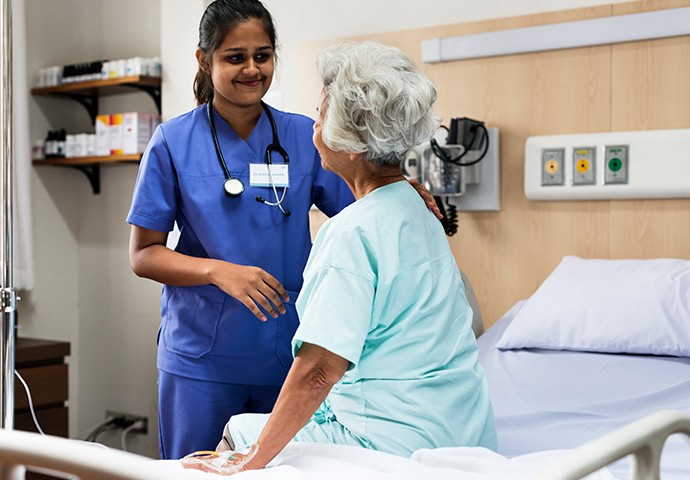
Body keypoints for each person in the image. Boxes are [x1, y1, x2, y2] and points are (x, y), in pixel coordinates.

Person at [127, 0, 439, 460]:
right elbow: (143, 255)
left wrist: (401, 186)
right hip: (201, 359)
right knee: (193, 469)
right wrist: (220, 272)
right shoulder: (172, 142)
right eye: (235, 57)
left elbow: (365, 202)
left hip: (287, 354)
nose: (252, 68)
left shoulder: (305, 135)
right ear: (203, 59)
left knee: (283, 467)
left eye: (263, 55)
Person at [210, 41, 497, 473]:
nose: (314, 127)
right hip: (465, 430)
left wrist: (251, 460)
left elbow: (319, 371)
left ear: (352, 143)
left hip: (390, 442)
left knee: (239, 434)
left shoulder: (350, 233)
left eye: (322, 116)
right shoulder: (419, 205)